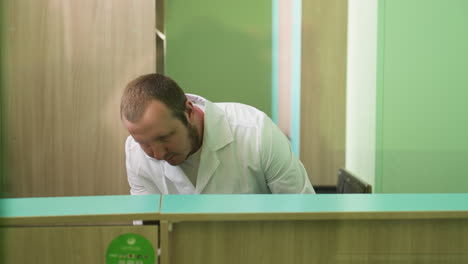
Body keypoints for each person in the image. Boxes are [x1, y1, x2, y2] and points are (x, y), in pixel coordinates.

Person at [120, 73, 315, 194]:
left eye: (164, 137)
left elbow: (302, 212)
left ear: (188, 112)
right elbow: (151, 230)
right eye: (143, 143)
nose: (158, 154)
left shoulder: (257, 132)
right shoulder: (134, 153)